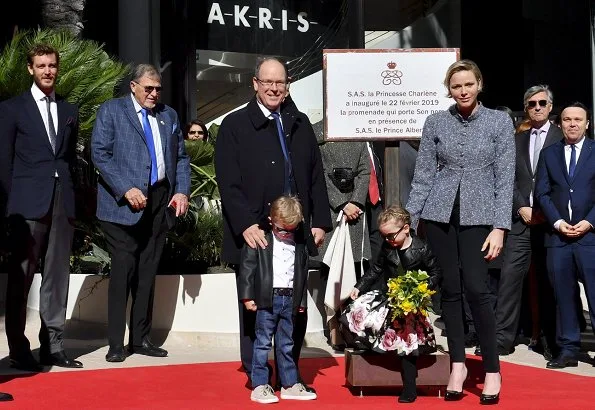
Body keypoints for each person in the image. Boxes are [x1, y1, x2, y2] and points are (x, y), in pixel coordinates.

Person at [215, 56, 332, 389]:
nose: (274, 88)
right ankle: (258, 377)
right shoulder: (234, 126)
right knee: (256, 309)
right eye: (267, 82)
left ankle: (290, 375)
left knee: (294, 308)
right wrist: (245, 224)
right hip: (256, 234)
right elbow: (228, 181)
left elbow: (314, 177)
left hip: (294, 235)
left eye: (279, 82)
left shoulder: (300, 122)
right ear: (255, 84)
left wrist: (319, 221)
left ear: (287, 85)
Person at [406, 59, 514, 404]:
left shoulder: (499, 121)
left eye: (468, 84)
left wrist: (500, 227)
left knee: (476, 289)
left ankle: (492, 370)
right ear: (449, 90)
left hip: (480, 216)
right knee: (449, 291)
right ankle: (457, 364)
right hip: (439, 215)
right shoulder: (436, 121)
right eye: (456, 86)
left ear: (479, 84)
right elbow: (423, 175)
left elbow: (505, 178)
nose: (463, 91)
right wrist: (411, 221)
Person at [91, 63, 190, 362]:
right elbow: (100, 153)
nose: (154, 93)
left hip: (159, 201)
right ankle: (115, 344)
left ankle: (141, 339)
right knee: (124, 270)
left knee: (147, 272)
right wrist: (125, 188)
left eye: (158, 88)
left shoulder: (168, 115)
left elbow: (181, 157)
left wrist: (181, 190)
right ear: (133, 86)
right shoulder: (111, 111)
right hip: (121, 204)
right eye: (148, 88)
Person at [0, 43, 83, 372]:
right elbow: (3, 162)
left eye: (52, 65)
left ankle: (53, 345)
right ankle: (19, 348)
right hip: (26, 203)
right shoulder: (12, 109)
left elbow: (68, 160)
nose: (48, 70)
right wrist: (8, 208)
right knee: (22, 278)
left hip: (63, 199)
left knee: (57, 275)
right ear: (30, 69)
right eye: (41, 65)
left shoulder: (68, 109)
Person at [345, 206, 441, 403]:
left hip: (411, 305)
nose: (388, 240)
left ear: (406, 229)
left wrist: (420, 287)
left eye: (390, 236)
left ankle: (409, 387)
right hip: (389, 297)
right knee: (356, 312)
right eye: (384, 236)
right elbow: (376, 269)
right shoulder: (388, 247)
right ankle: (372, 355)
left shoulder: (421, 247)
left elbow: (436, 273)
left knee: (407, 342)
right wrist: (359, 286)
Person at [494, 85, 562, 358]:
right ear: (526, 107)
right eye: (531, 103)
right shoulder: (516, 140)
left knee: (550, 281)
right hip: (521, 220)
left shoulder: (561, 138)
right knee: (510, 279)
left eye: (542, 103)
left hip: (551, 222)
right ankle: (502, 339)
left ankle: (548, 340)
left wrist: (549, 210)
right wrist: (521, 205)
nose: (537, 107)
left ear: (550, 107)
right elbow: (505, 176)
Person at [238, 196, 317, 403]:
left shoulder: (299, 245)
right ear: (271, 220)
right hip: (267, 299)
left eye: (291, 230)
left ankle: (289, 384)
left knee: (286, 343)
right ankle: (260, 385)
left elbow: (301, 276)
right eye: (282, 229)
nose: (286, 234)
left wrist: (301, 303)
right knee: (263, 343)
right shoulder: (260, 239)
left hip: (290, 299)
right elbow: (247, 269)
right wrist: (247, 297)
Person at [534, 101, 595, 369]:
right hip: (558, 238)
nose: (572, 124)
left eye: (578, 120)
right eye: (567, 119)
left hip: (590, 237)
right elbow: (542, 193)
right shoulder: (549, 154)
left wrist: (589, 222)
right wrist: (558, 223)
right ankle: (568, 349)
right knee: (563, 295)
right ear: (560, 124)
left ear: (587, 124)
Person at [314, 140, 371, 348]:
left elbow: (365, 170)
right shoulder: (319, 131)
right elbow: (318, 173)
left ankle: (351, 324)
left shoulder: (355, 133)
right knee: (330, 267)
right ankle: (333, 325)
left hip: (356, 212)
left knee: (354, 267)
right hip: (329, 210)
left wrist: (355, 202)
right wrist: (341, 203)